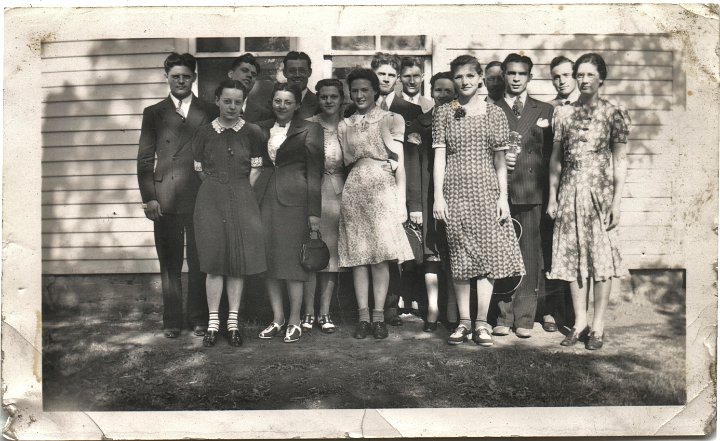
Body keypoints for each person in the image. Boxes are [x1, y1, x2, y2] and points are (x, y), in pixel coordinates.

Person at [432, 55, 525, 347]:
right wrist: (438, 196)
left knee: (486, 256)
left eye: (470, 76)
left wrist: (503, 198)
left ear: (480, 78)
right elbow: (438, 158)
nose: (464, 82)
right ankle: (463, 322)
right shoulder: (444, 112)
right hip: (454, 191)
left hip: (486, 190)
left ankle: (482, 323)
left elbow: (500, 161)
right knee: (460, 256)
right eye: (459, 77)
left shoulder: (494, 113)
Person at [546, 53, 630, 350]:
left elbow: (620, 160)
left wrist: (616, 202)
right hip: (569, 191)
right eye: (579, 75)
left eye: (589, 75)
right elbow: (556, 159)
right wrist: (553, 196)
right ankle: (579, 321)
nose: (583, 80)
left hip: (599, 193)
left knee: (600, 258)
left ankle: (598, 326)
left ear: (601, 79)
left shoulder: (613, 112)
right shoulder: (564, 113)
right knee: (572, 257)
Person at [137, 52, 216, 339]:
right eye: (175, 76)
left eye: (186, 76)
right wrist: (150, 197)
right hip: (165, 196)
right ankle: (171, 320)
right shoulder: (154, 112)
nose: (181, 81)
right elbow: (145, 159)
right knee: (169, 261)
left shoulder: (209, 109)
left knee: (198, 259)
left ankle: (198, 317)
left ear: (194, 77)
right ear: (166, 77)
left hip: (199, 194)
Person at [338, 68, 414, 340]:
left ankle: (379, 317)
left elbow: (400, 165)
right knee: (359, 258)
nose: (359, 95)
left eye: (364, 90)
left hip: (383, 188)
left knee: (381, 257)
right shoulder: (344, 125)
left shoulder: (391, 119)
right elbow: (345, 162)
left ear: (374, 91)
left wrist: (401, 201)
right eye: (354, 90)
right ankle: (363, 317)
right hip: (355, 189)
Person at [192, 80, 267, 347]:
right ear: (217, 100)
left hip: (242, 197)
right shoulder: (204, 132)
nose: (232, 106)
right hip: (210, 200)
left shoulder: (253, 132)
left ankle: (233, 322)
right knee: (214, 263)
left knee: (237, 263)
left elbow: (256, 168)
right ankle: (214, 323)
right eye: (227, 101)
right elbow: (199, 168)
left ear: (243, 103)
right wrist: (216, 188)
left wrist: (241, 190)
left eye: (237, 102)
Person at [254, 83, 324, 343]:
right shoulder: (260, 128)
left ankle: (295, 320)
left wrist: (314, 212)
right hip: (264, 200)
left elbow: (315, 172)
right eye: (277, 101)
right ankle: (277, 318)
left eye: (287, 102)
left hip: (295, 203)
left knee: (293, 263)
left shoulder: (311, 128)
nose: (281, 106)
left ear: (296, 105)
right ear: (271, 102)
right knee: (270, 261)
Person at [491, 53, 554, 339]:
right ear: (503, 75)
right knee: (502, 255)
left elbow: (553, 156)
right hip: (498, 193)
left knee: (529, 254)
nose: (516, 78)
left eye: (522, 74)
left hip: (532, 192)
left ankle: (525, 319)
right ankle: (503, 315)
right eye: (511, 73)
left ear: (530, 77)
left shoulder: (544, 110)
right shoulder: (490, 109)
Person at [369, 52, 424, 326]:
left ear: (398, 78)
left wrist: (412, 203)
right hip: (366, 189)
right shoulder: (356, 108)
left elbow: (412, 163)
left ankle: (389, 307)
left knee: (391, 250)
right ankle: (366, 308)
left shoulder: (411, 112)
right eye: (382, 74)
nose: (387, 79)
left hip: (395, 190)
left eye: (392, 74)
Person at [405, 71, 458, 331]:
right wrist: (415, 205)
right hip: (429, 196)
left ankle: (455, 311)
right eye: (439, 90)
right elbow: (413, 167)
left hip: (459, 194)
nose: (444, 95)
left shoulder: (464, 119)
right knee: (432, 253)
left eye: (449, 90)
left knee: (457, 252)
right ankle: (434, 308)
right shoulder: (420, 124)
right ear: (432, 91)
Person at [301, 79, 348, 334]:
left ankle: (324, 312)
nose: (329, 101)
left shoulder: (348, 125)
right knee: (313, 251)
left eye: (333, 96)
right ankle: (307, 312)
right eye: (324, 97)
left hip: (341, 192)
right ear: (318, 99)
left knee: (333, 255)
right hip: (313, 190)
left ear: (341, 99)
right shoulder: (308, 124)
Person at [228, 53, 273, 123]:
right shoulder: (211, 111)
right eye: (244, 70)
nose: (249, 75)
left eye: (253, 74)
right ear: (231, 74)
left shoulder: (264, 115)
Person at [282, 51, 318, 119]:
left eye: (302, 71)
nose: (297, 75)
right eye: (292, 71)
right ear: (284, 73)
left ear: (309, 72)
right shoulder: (273, 102)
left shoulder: (319, 103)